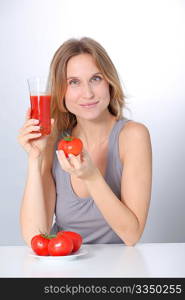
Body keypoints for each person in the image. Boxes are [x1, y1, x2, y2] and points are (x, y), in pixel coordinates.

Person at [18, 37, 152, 247]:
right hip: (64, 268)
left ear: (109, 82)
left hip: (118, 271)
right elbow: (35, 235)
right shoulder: (54, 140)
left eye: (96, 79)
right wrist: (35, 159)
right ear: (62, 91)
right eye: (74, 82)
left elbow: (132, 235)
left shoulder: (132, 136)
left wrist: (91, 177)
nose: (88, 93)